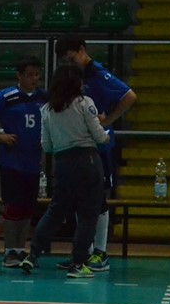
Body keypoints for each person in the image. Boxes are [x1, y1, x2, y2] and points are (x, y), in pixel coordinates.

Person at [54, 36, 137, 272]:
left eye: (72, 58)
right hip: (78, 146)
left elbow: (129, 96)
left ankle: (100, 252)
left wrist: (108, 120)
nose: (70, 64)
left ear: (82, 50)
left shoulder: (98, 73)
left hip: (99, 148)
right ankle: (83, 252)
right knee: (79, 199)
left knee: (98, 199)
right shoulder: (74, 76)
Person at [19, 64, 110, 278]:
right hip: (87, 161)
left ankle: (32, 255)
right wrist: (106, 135)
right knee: (88, 215)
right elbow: (99, 136)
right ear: (77, 82)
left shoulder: (47, 109)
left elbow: (46, 146)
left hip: (63, 164)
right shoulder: (85, 103)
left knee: (55, 211)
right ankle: (78, 263)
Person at [0, 56, 48, 267]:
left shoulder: (44, 98)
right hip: (12, 161)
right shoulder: (7, 96)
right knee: (13, 206)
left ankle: (21, 249)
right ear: (19, 76)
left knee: (28, 208)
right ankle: (9, 250)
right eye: (29, 75)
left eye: (36, 75)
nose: (33, 79)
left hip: (33, 161)